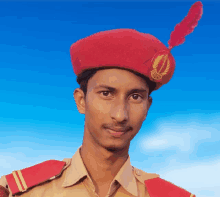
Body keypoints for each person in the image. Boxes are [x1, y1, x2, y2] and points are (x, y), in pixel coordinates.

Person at [0, 1, 203, 197]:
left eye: (135, 97)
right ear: (81, 101)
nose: (120, 115)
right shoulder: (20, 192)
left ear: (147, 106)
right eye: (106, 93)